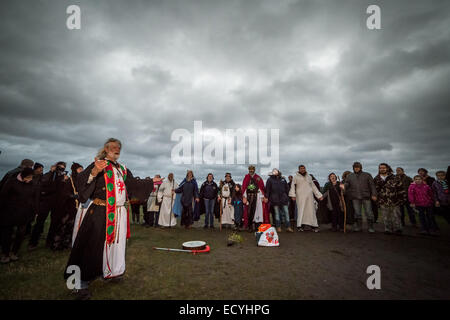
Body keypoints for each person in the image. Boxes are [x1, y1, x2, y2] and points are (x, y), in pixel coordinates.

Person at [64, 138, 154, 300]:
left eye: (118, 147)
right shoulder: (99, 164)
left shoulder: (122, 169)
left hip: (118, 213)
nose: (116, 149)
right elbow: (81, 182)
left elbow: (133, 185)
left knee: (114, 245)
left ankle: (109, 272)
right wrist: (94, 173)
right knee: (92, 246)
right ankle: (81, 282)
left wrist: (150, 182)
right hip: (100, 211)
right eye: (113, 147)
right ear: (106, 149)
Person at [0, 168, 38, 263]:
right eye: (28, 177)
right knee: (7, 234)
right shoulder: (12, 182)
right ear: (22, 176)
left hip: (25, 213)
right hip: (10, 213)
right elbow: (3, 196)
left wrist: (35, 211)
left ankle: (14, 252)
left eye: (31, 177)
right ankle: (5, 253)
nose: (30, 179)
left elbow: (35, 198)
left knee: (21, 233)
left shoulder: (33, 184)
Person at [29, 161, 67, 249]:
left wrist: (65, 181)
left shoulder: (63, 177)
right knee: (40, 222)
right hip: (46, 201)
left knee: (54, 223)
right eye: (59, 167)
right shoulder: (48, 175)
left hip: (57, 203)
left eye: (63, 168)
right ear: (55, 167)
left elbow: (63, 190)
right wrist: (51, 172)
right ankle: (33, 242)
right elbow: (43, 182)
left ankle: (49, 242)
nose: (60, 169)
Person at [51, 163, 83, 250]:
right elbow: (64, 193)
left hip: (76, 207)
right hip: (67, 207)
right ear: (75, 170)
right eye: (79, 169)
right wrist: (72, 196)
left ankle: (67, 243)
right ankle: (56, 244)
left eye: (82, 169)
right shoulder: (70, 180)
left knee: (72, 226)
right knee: (63, 225)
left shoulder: (80, 181)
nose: (81, 171)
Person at [343, 162, 377, 233]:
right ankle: (358, 227)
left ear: (361, 167)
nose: (356, 168)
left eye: (358, 167)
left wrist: (374, 194)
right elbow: (347, 183)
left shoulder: (367, 175)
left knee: (369, 212)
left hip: (366, 197)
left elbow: (372, 186)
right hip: (355, 197)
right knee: (357, 213)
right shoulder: (350, 176)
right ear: (353, 168)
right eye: (355, 167)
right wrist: (343, 186)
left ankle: (371, 227)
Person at [289, 165, 323, 232]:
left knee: (311, 210)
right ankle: (300, 226)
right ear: (299, 169)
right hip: (300, 196)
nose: (302, 169)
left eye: (303, 168)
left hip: (309, 196)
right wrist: (293, 195)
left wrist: (319, 195)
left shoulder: (309, 177)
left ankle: (314, 226)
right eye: (301, 168)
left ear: (305, 169)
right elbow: (292, 186)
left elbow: (313, 187)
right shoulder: (296, 177)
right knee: (301, 210)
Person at [374, 163, 405, 235]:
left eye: (384, 168)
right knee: (385, 216)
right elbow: (375, 190)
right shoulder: (376, 178)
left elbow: (400, 188)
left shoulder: (394, 177)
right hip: (383, 200)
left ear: (387, 168)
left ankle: (398, 229)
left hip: (394, 200)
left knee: (396, 215)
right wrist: (377, 199)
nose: (382, 169)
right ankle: (388, 229)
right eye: (380, 168)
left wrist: (402, 199)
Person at [242, 165, 269, 232]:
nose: (251, 170)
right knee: (249, 212)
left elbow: (261, 188)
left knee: (258, 212)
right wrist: (244, 197)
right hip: (249, 197)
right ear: (248, 170)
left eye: (252, 169)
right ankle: (250, 226)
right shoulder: (246, 177)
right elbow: (244, 188)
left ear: (254, 170)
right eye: (250, 169)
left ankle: (257, 226)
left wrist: (263, 196)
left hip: (257, 198)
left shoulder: (258, 178)